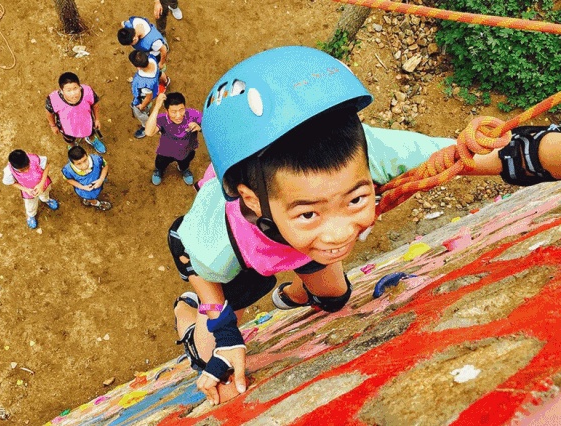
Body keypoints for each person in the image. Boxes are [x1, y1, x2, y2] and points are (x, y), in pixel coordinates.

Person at [169, 46, 561, 407]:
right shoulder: (219, 237)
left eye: (355, 199)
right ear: (253, 201)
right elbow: (197, 264)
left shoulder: (364, 152)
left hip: (296, 246)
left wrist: (544, 150)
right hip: (238, 256)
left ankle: (291, 292)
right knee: (216, 347)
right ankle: (185, 315)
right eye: (309, 213)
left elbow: (468, 156)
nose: (341, 233)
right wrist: (225, 336)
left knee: (334, 298)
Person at [144, 91, 202, 186]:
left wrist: (200, 128)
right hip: (166, 152)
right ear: (167, 111)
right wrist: (157, 106)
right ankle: (159, 171)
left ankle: (184, 169)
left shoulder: (193, 114)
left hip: (187, 150)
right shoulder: (162, 119)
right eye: (174, 112)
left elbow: (210, 127)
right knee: (160, 164)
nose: (178, 115)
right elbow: (148, 132)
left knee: (185, 163)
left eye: (181, 110)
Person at [46, 72, 106, 154]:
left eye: (75, 88)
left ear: (79, 86)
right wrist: (53, 126)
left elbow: (95, 105)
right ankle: (72, 146)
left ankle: (92, 139)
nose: (73, 93)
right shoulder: (53, 99)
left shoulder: (88, 91)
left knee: (91, 132)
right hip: (66, 128)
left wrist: (97, 119)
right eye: (68, 90)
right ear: (62, 91)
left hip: (87, 122)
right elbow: (49, 113)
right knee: (69, 139)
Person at [3, 149, 59, 229]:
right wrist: (26, 190)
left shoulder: (34, 158)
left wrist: (41, 184)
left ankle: (46, 200)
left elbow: (46, 166)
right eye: (22, 170)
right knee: (30, 205)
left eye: (28, 166)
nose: (27, 170)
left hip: (43, 185)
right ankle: (31, 215)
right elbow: (11, 183)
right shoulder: (9, 172)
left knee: (45, 195)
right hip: (29, 193)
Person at [117, 17, 170, 87]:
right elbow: (123, 23)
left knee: (157, 71)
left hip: (154, 54)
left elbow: (164, 50)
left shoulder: (153, 41)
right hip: (145, 51)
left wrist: (161, 63)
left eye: (130, 43)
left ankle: (166, 80)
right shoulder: (133, 23)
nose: (130, 45)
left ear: (134, 39)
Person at [61, 146, 112, 211]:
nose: (84, 166)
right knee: (89, 197)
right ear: (72, 163)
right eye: (79, 164)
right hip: (85, 190)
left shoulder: (97, 159)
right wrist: (82, 187)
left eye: (85, 160)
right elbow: (68, 179)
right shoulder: (68, 170)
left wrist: (101, 179)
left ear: (87, 155)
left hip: (99, 182)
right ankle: (96, 203)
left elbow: (105, 166)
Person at [130, 50, 161, 139]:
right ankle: (146, 109)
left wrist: (142, 106)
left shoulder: (144, 82)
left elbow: (148, 97)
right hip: (154, 89)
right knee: (147, 105)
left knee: (139, 112)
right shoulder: (152, 59)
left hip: (143, 98)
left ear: (138, 67)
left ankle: (147, 126)